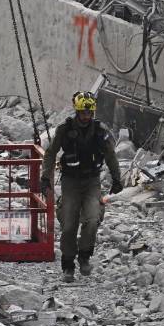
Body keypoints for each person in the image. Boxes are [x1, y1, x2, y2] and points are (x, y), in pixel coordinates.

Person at [39, 91, 122, 282]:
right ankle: (68, 264)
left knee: (92, 219)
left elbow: (110, 155)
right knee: (68, 224)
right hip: (70, 182)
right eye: (83, 113)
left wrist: (117, 179)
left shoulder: (100, 131)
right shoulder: (64, 130)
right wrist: (45, 178)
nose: (86, 116)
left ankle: (84, 255)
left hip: (92, 182)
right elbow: (50, 154)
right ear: (77, 111)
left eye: (89, 113)